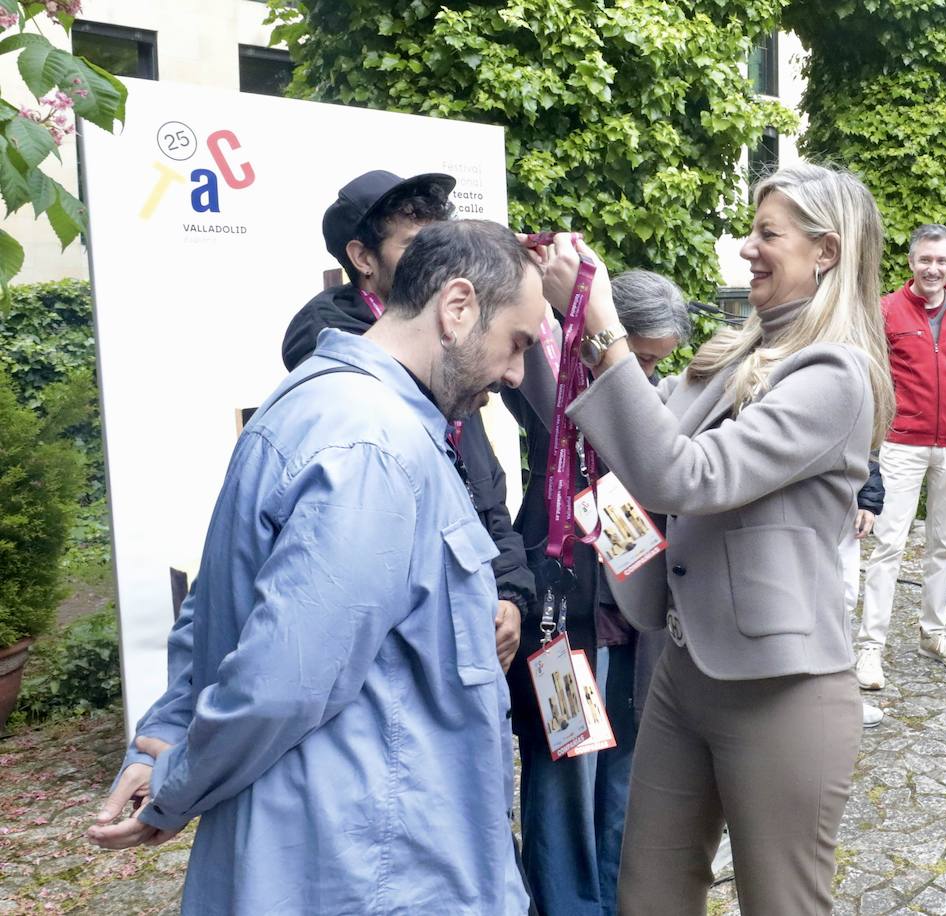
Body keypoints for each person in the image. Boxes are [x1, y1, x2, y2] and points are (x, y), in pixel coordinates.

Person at [86, 220, 546, 914]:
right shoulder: (372, 444)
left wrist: (164, 751)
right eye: (517, 343)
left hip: (348, 851)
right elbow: (282, 678)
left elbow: (213, 623)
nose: (515, 373)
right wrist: (174, 777)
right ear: (457, 308)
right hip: (367, 868)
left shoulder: (319, 408)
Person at [535, 161, 894, 915]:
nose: (748, 248)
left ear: (825, 251)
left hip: (781, 689)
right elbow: (619, 428)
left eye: (769, 234)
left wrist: (601, 325)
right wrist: (547, 319)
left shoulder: (834, 375)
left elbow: (684, 476)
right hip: (682, 669)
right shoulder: (738, 349)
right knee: (650, 898)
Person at [280, 169, 535, 667]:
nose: (513, 374)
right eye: (416, 244)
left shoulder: (451, 366)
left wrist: (509, 593)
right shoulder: (349, 390)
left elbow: (484, 490)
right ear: (362, 258)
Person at [504, 268, 689, 916]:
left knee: (630, 779)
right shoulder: (548, 379)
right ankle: (567, 905)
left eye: (654, 365)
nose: (640, 374)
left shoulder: (664, 403)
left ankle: (621, 900)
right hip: (563, 618)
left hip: (635, 625)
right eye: (634, 357)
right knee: (564, 781)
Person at [855, 223, 946, 690]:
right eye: (925, 259)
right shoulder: (885, 310)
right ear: (911, 261)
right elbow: (876, 376)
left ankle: (935, 632)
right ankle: (871, 648)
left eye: (942, 261)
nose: (933, 268)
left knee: (943, 544)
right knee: (889, 544)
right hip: (901, 442)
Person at [841, 457, 886, 727]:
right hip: (800, 504)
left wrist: (868, 501)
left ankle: (842, 698)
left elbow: (863, 447)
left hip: (843, 506)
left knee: (844, 602)